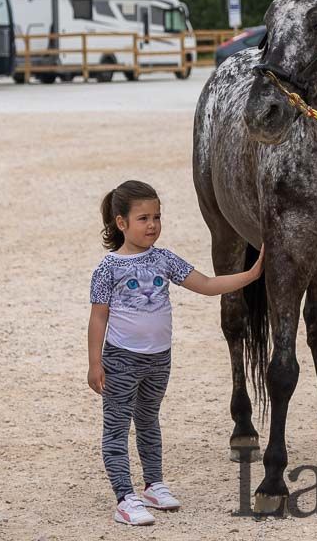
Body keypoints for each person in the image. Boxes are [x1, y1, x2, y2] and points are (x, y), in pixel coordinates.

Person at [89, 180, 264, 526]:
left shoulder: (165, 259)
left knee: (149, 421)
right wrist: (95, 363)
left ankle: (153, 484)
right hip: (121, 359)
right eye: (143, 218)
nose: (152, 224)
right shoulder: (107, 269)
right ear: (121, 223)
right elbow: (98, 318)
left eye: (156, 216)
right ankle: (125, 497)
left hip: (159, 359)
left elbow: (209, 285)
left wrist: (253, 273)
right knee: (116, 428)